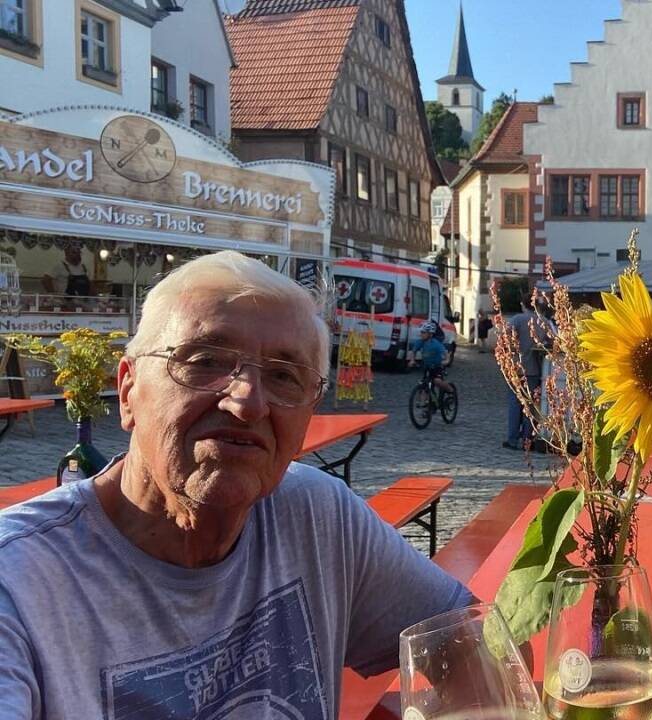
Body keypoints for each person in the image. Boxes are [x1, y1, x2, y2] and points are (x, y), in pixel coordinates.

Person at [0, 251, 473, 718]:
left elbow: (478, 646)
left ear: (309, 413)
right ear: (128, 391)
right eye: (205, 361)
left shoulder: (316, 516)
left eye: (285, 376)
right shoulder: (20, 582)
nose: (247, 403)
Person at [503, 293, 547, 451]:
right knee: (530, 406)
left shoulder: (517, 320)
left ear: (523, 304)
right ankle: (527, 440)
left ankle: (512, 439)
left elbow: (505, 340)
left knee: (515, 403)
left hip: (516, 368)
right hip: (534, 369)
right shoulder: (544, 322)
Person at [408, 320, 454, 396]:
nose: (421, 334)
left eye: (423, 332)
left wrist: (446, 360)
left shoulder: (436, 344)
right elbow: (414, 351)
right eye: (421, 332)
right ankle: (424, 403)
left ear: (430, 334)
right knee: (424, 384)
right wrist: (412, 360)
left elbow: (446, 353)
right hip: (427, 367)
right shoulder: (420, 342)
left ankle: (451, 391)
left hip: (437, 366)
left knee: (437, 381)